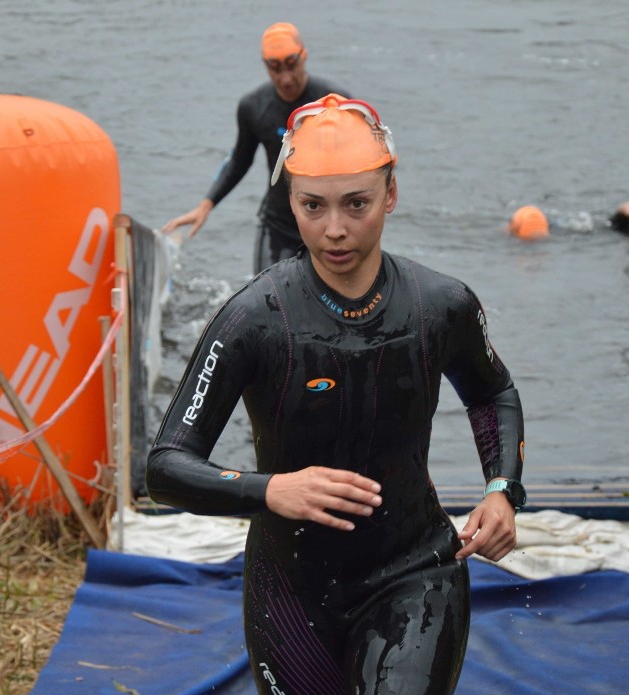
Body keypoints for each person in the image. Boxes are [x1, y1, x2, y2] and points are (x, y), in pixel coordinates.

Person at [147, 94, 527, 694]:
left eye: (357, 204)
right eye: (312, 206)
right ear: (289, 202)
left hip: (417, 571)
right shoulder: (253, 320)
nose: (335, 230)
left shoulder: (441, 306)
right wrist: (271, 489)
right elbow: (166, 466)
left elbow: (492, 393)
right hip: (292, 589)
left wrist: (502, 490)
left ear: (390, 194)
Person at [161, 22, 351, 274]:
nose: (286, 78)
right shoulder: (253, 107)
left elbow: (362, 165)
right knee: (269, 302)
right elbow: (240, 159)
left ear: (304, 56)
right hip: (279, 224)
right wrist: (206, 205)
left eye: (292, 65)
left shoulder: (335, 103)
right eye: (275, 69)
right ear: (265, 66)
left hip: (328, 224)